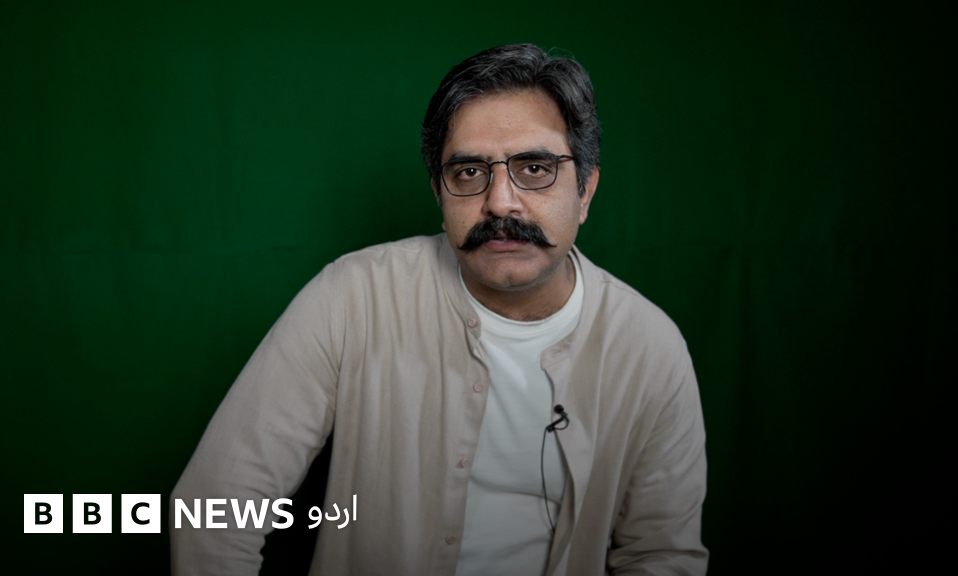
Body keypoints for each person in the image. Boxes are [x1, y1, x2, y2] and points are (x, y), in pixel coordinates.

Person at [171, 43, 708, 576]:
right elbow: (213, 508)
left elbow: (661, 556)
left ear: (585, 190)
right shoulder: (352, 298)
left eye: (535, 168)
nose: (500, 202)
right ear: (439, 193)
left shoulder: (650, 348)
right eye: (469, 173)